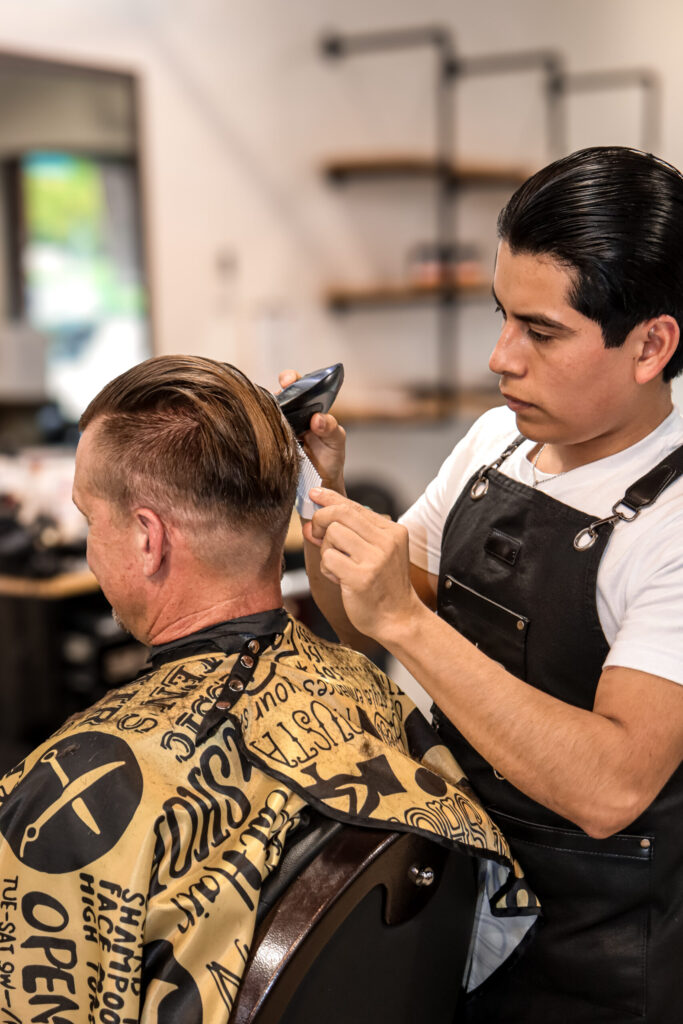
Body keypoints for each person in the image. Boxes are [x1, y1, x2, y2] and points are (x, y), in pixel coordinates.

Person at [0, 355, 538, 1022]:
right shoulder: (367, 688)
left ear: (147, 538)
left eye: (91, 519)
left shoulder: (65, 792)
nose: (88, 546)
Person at [287, 146, 683, 1023]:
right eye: (501, 316)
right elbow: (360, 621)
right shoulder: (493, 444)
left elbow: (611, 787)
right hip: (459, 896)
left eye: (541, 332)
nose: (500, 358)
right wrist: (325, 501)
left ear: (650, 345)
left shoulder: (671, 523)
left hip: (596, 963)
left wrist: (409, 624)